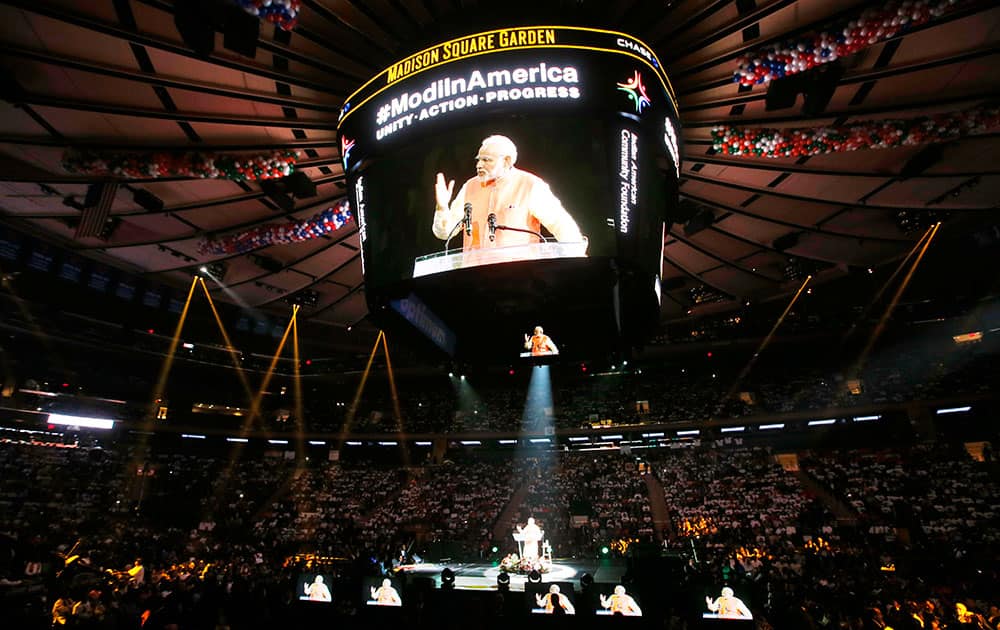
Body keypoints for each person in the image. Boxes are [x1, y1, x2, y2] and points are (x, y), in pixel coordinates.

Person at [433, 135, 586, 252]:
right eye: (478, 160)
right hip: (476, 279)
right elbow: (444, 232)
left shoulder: (530, 184)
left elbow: (561, 224)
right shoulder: (469, 186)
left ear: (506, 161)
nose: (479, 165)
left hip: (521, 277)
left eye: (487, 160)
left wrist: (575, 259)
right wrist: (442, 208)